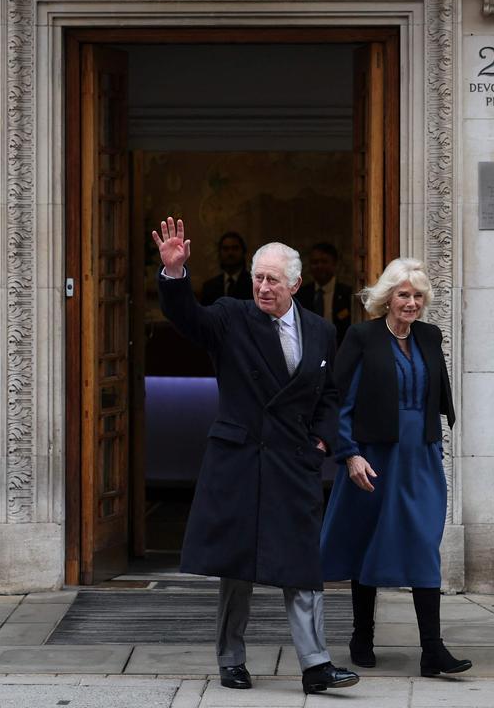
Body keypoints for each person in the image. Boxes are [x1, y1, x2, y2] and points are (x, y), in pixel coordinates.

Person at [153, 216, 359, 695]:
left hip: (293, 460)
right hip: (241, 457)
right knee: (237, 565)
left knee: (302, 562)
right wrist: (174, 275)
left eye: (272, 280)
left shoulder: (322, 330)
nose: (263, 287)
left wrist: (323, 441)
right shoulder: (231, 317)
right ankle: (231, 658)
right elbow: (189, 319)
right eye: (258, 278)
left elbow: (330, 394)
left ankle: (316, 664)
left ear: (296, 284)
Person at [319, 257, 471, 678]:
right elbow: (341, 399)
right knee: (365, 540)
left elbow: (432, 397)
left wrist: (435, 445)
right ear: (387, 298)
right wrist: (349, 454)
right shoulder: (362, 337)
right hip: (373, 454)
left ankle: (432, 649)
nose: (411, 303)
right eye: (404, 294)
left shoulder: (429, 336)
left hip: (419, 455)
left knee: (424, 542)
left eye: (418, 296)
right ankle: (362, 635)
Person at [295, 242, 353, 344]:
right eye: (315, 262)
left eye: (324, 261)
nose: (319, 266)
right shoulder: (301, 294)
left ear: (334, 264)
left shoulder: (347, 294)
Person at [201, 231, 253, 304]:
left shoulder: (253, 284)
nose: (230, 253)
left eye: (235, 248)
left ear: (243, 252)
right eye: (225, 249)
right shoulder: (209, 287)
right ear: (219, 253)